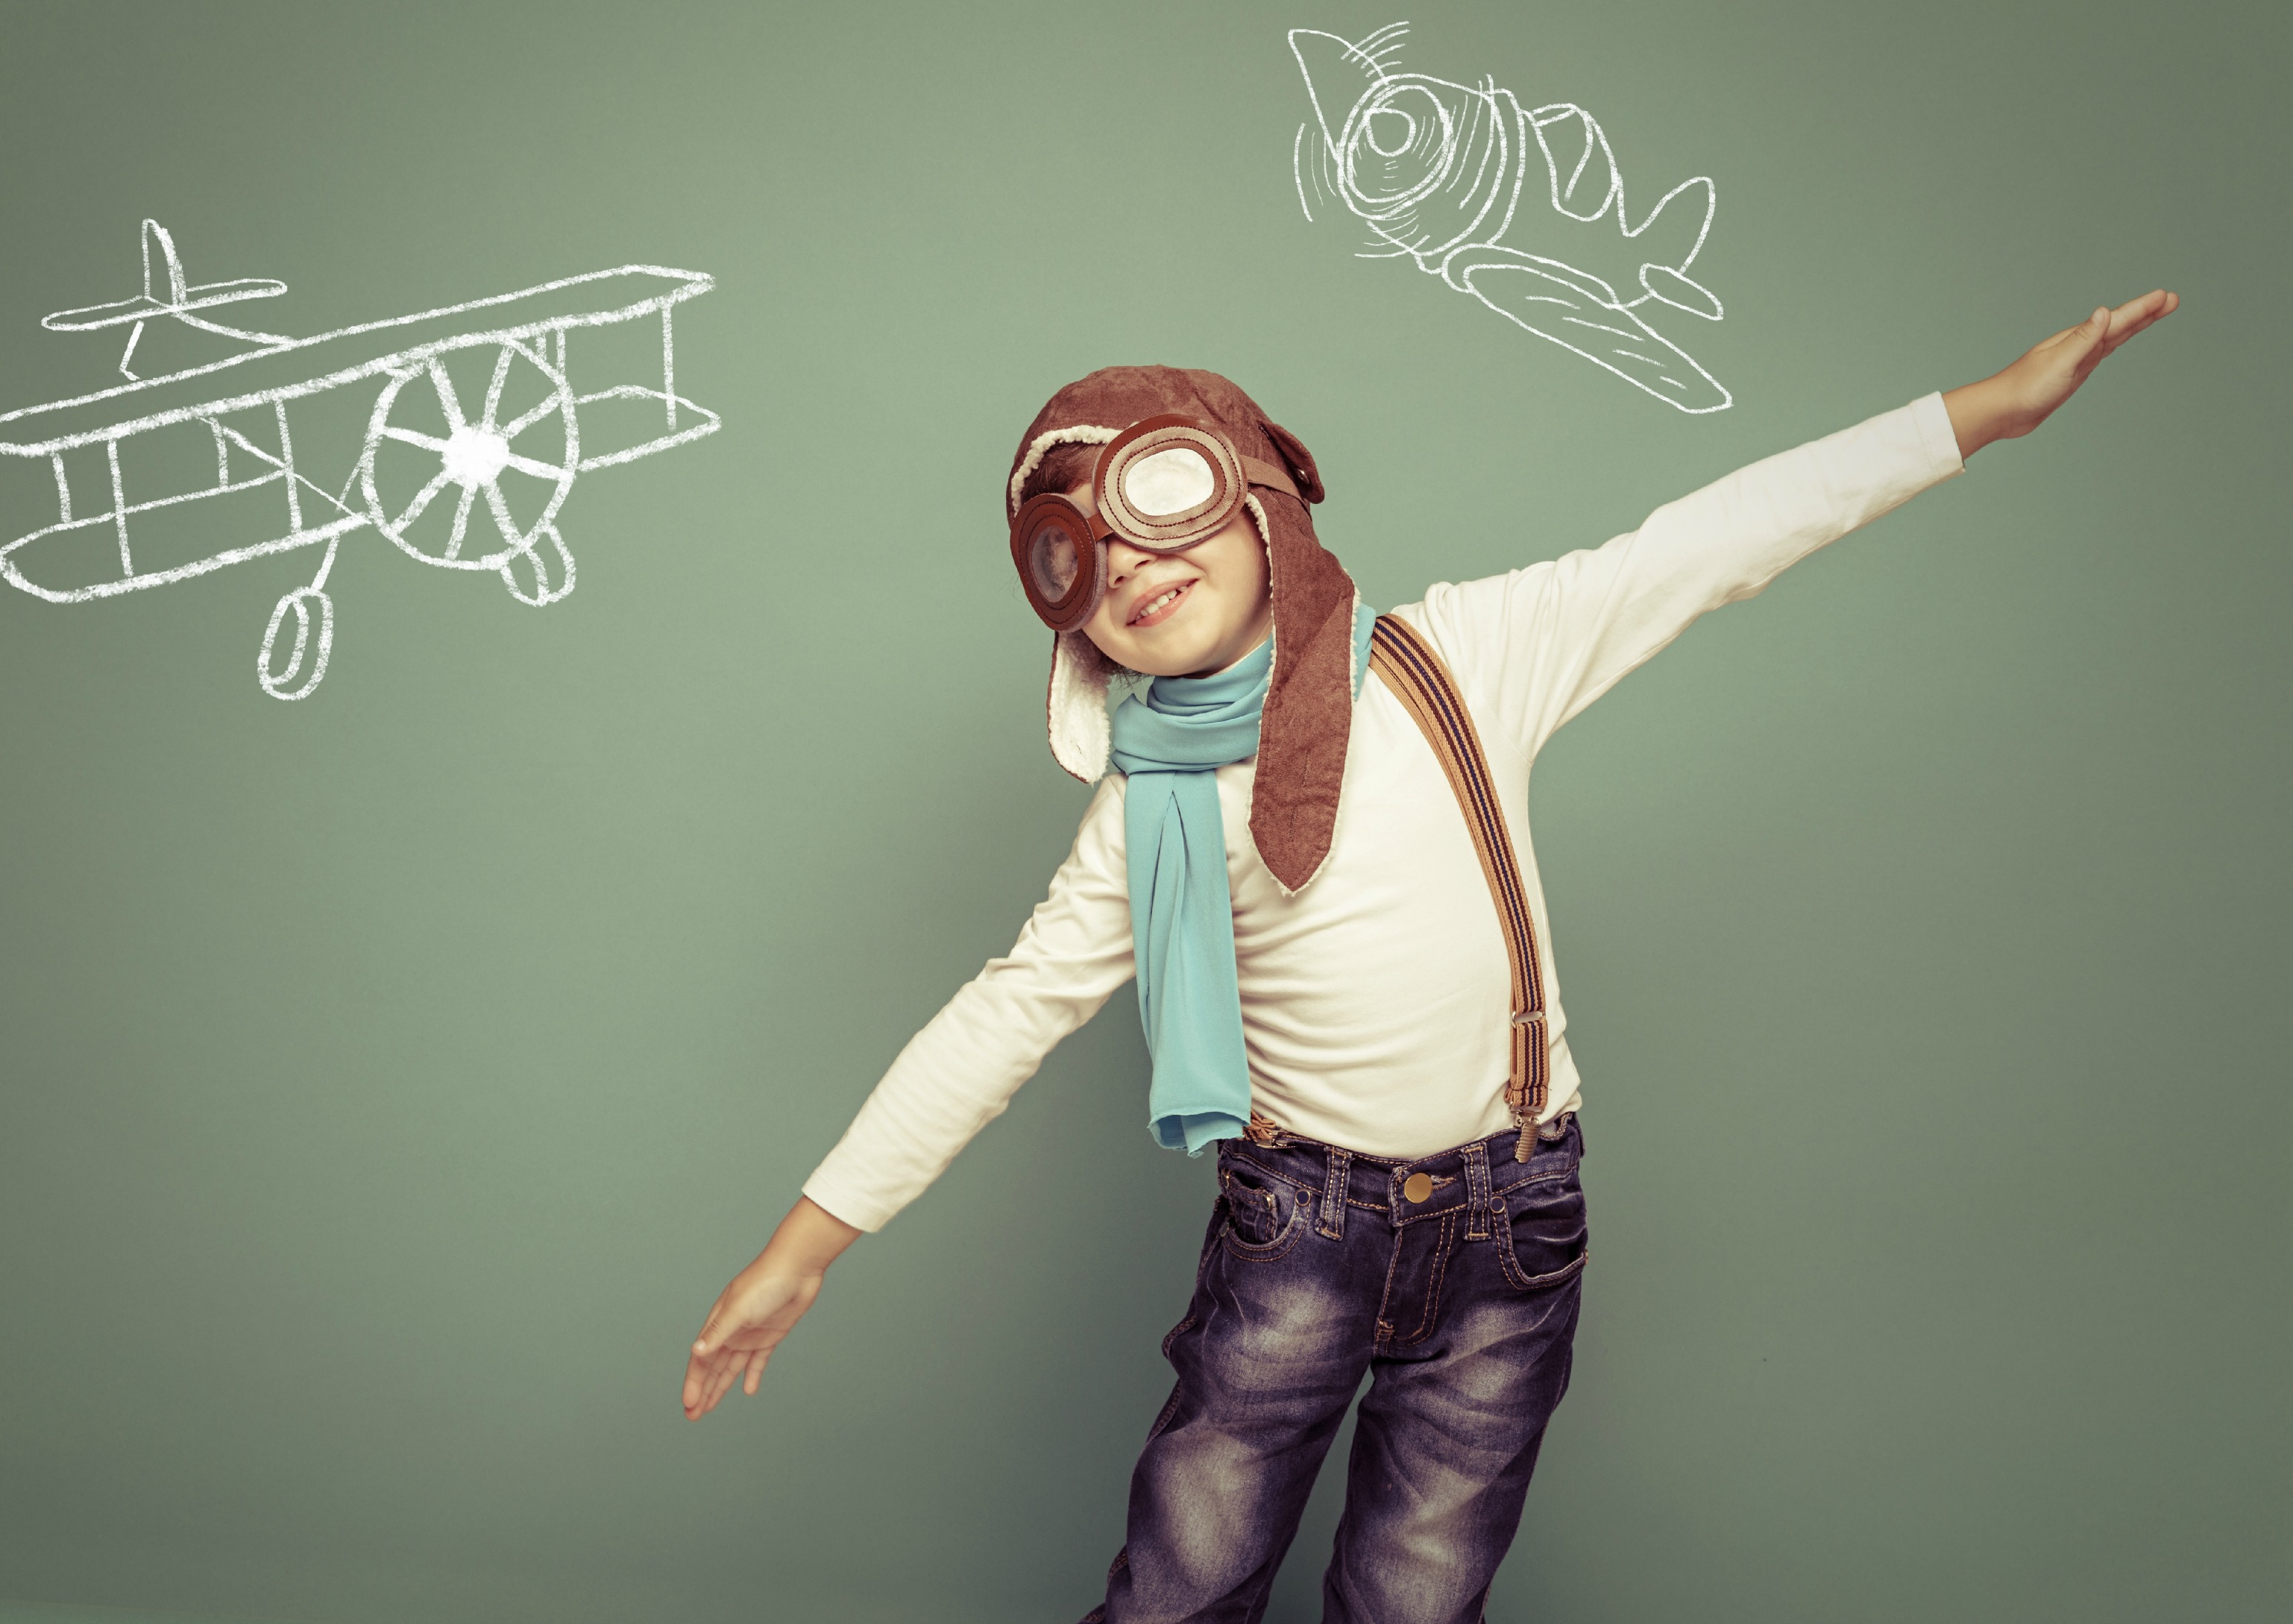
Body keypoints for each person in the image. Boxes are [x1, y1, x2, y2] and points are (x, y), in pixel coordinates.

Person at [681, 291, 2178, 1624]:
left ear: (1257, 490)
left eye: (1163, 495)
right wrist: (805, 1245)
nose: (1133, 563)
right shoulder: (1146, 810)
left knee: (1420, 1593)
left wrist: (1983, 410)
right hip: (1296, 1231)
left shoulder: (1459, 657)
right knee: (1181, 1587)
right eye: (1082, 551)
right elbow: (1003, 1016)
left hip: (1513, 1229)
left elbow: (1711, 544)